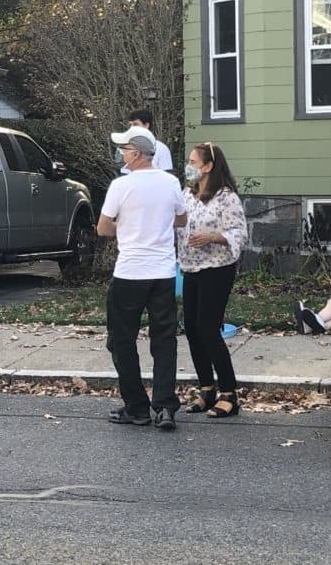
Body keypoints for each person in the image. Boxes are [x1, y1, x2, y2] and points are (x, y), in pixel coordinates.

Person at [97, 125, 188, 430]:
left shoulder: (121, 186)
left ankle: (136, 406)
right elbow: (181, 218)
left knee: (122, 340)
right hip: (162, 272)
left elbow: (103, 227)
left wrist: (125, 228)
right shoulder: (170, 182)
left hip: (130, 271)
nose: (120, 153)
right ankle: (164, 406)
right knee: (164, 340)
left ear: (135, 154)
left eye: (123, 148)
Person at [177, 142, 247, 418]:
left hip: (217, 268)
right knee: (192, 329)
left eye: (194, 162)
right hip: (191, 268)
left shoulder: (225, 197)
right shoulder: (187, 194)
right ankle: (207, 389)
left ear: (208, 166)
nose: (189, 167)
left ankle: (229, 393)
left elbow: (239, 232)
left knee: (208, 328)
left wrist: (212, 237)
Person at [120, 108, 172, 173]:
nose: (132, 128)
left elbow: (167, 175)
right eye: (130, 125)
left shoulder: (161, 148)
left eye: (135, 124)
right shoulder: (127, 147)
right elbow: (125, 172)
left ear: (146, 125)